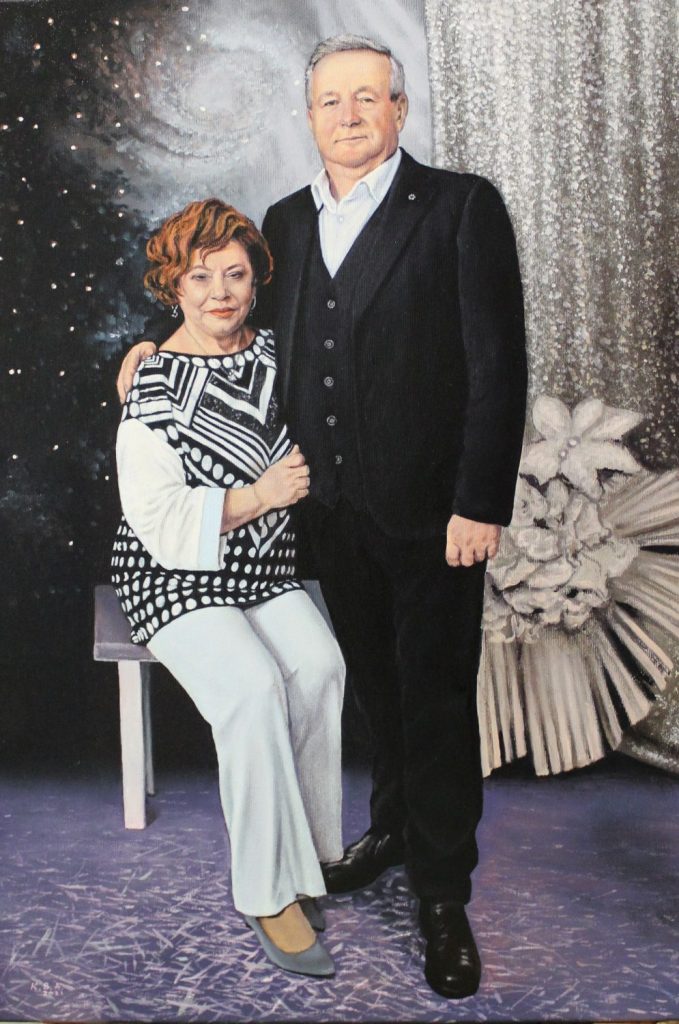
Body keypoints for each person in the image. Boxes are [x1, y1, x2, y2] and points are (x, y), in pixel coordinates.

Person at [117, 36, 527, 1000]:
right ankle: (388, 833)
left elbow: (497, 363)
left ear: (398, 110)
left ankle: (442, 897)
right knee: (370, 690)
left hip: (434, 518)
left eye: (367, 98)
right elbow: (237, 332)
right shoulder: (286, 222)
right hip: (329, 519)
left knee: (434, 703)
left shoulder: (459, 207)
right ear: (309, 117)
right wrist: (142, 353)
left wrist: (478, 501)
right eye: (330, 101)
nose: (349, 115)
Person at [112, 197, 345, 978]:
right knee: (249, 688)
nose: (220, 292)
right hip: (172, 575)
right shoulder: (153, 383)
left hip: (262, 570)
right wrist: (258, 497)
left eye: (235, 275)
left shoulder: (279, 352)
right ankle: (266, 891)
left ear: (256, 281)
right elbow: (155, 518)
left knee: (319, 668)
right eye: (200, 276)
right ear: (172, 286)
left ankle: (308, 858)